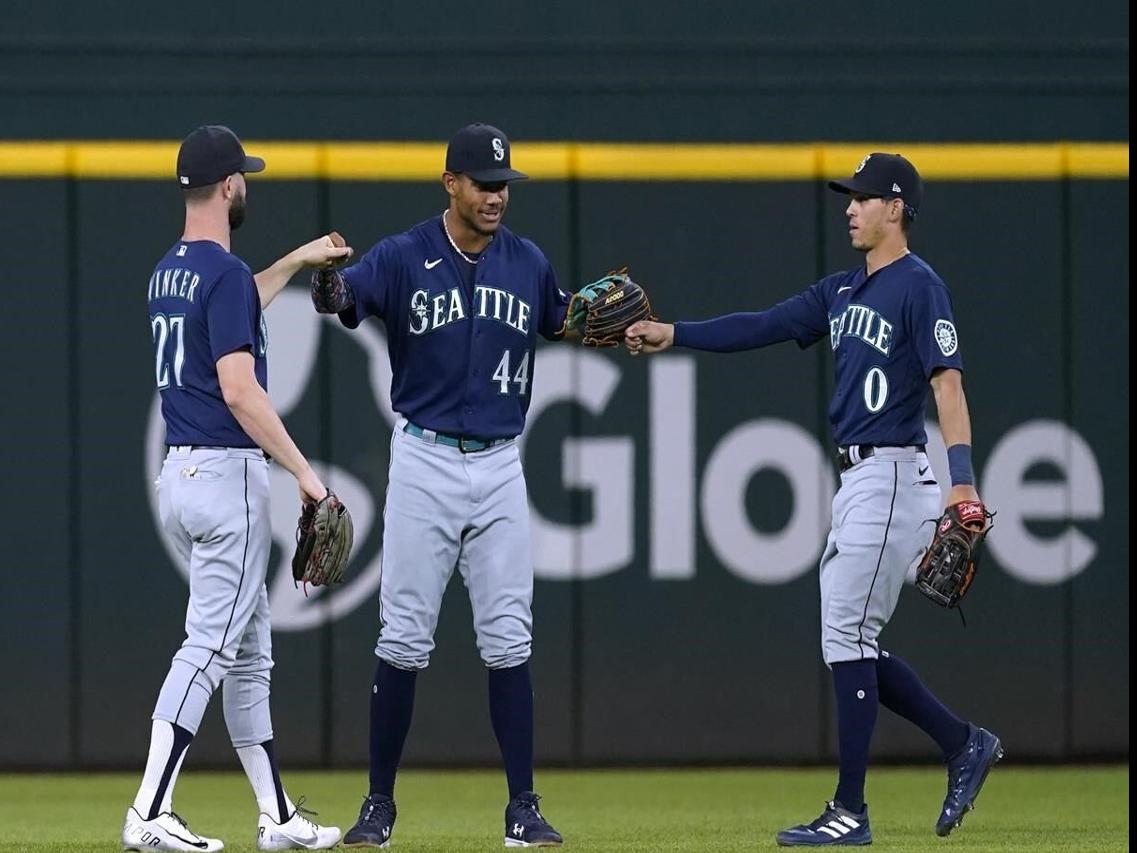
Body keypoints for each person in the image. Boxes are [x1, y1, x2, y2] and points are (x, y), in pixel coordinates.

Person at [626, 153, 1004, 846]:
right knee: (848, 638)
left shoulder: (920, 287)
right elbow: (763, 324)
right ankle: (961, 742)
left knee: (847, 635)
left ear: (895, 207)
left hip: (892, 471)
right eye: (848, 198)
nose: (849, 208)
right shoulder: (842, 292)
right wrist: (673, 332)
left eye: (862, 197)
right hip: (857, 478)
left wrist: (962, 479)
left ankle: (851, 810)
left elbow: (945, 383)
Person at [310, 122, 599, 849]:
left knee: (509, 636)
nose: (497, 195)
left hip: (502, 463)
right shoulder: (406, 254)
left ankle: (522, 808)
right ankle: (378, 804)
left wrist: (603, 321)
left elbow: (565, 318)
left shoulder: (526, 261)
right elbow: (346, 297)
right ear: (450, 184)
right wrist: (326, 280)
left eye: (504, 184)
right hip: (425, 459)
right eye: (484, 183)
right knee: (404, 635)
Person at [124, 124, 352, 853]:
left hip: (182, 477)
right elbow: (240, 389)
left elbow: (238, 297)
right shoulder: (219, 274)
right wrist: (308, 477)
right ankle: (149, 810)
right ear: (228, 186)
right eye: (243, 175)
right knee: (210, 646)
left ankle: (277, 816)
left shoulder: (171, 270)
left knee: (248, 651)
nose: (246, 183)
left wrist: (295, 259)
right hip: (227, 478)